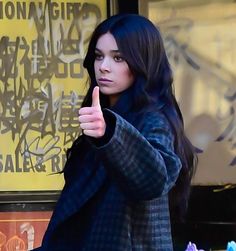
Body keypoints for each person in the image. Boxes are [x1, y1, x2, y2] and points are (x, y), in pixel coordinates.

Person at [32, 13, 197, 251]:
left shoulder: (152, 119)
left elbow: (154, 180)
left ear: (142, 62)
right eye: (99, 56)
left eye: (118, 58)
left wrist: (110, 134)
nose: (104, 67)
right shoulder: (106, 119)